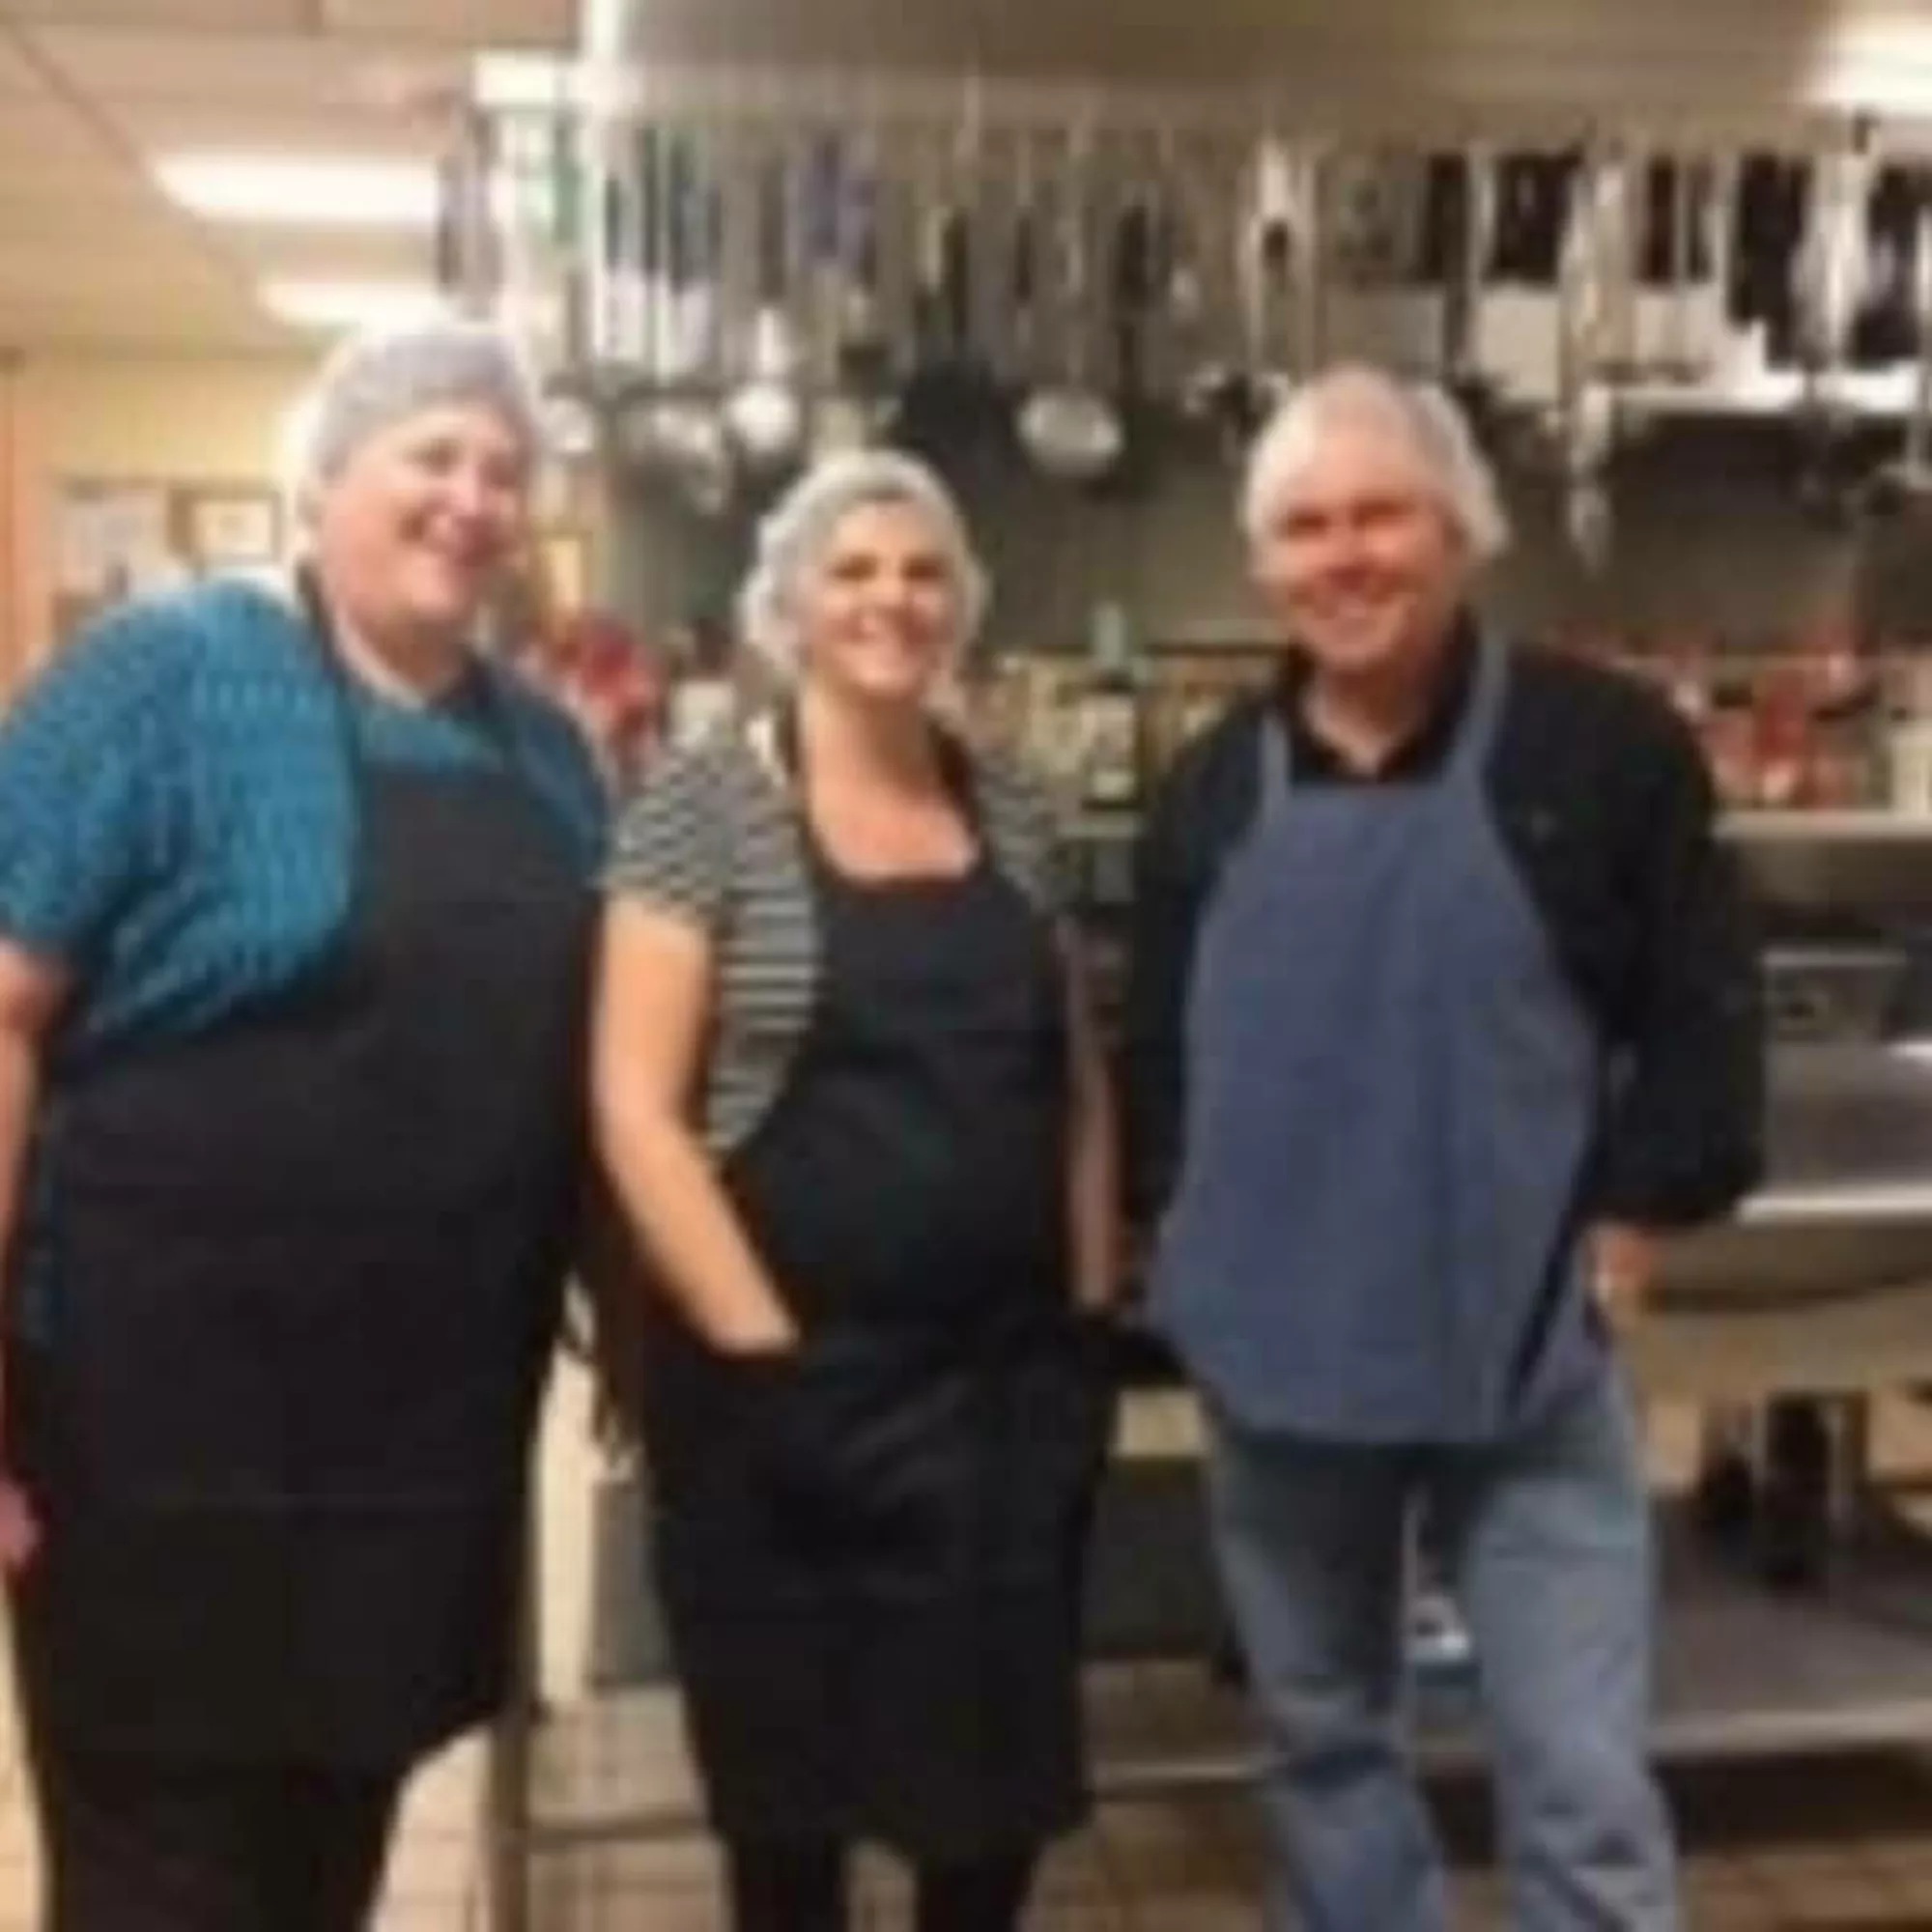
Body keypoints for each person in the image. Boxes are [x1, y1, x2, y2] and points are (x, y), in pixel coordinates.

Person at [1126, 365, 1764, 1931]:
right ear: (1265, 562)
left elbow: (1702, 1009)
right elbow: (1159, 1062)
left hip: (1523, 1354)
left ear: (1461, 531)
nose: (1344, 558)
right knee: (1326, 1744)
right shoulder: (1207, 794)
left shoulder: (1599, 753)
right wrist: (1175, 1261)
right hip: (1282, 1365)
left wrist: (1630, 1233)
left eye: (1380, 516)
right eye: (1305, 526)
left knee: (1582, 1778)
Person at [0, 319, 605, 1930]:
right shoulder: (160, 677)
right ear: (324, 474)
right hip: (152, 1436)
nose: (472, 497)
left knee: (331, 1857)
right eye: (431, 456)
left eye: (503, 468)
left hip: (417, 1448)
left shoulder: (548, 757)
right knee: (160, 1883)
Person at [594, 450, 1118, 1932]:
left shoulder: (1013, 809)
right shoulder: (700, 810)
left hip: (1002, 1395)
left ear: (961, 603)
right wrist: (765, 1351)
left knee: (991, 1817)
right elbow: (636, 1108)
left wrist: (1083, 1322)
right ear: (791, 604)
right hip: (779, 1410)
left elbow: (1072, 1082)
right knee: (792, 1823)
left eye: (923, 570)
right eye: (854, 571)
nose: (893, 599)